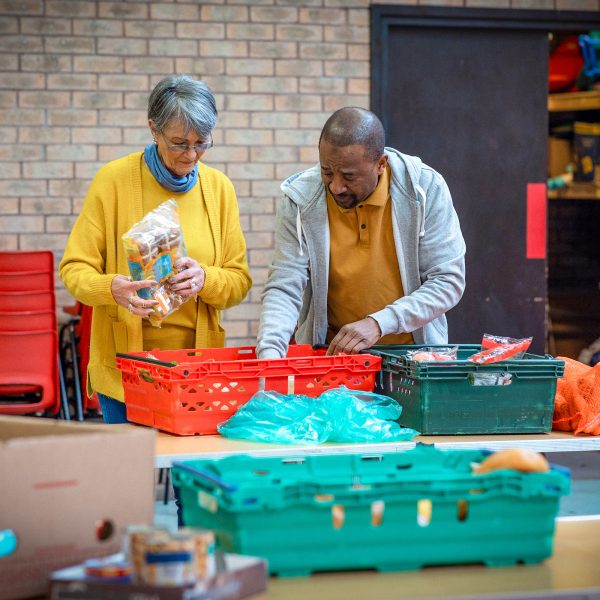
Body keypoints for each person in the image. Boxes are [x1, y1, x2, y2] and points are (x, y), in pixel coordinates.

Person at [60, 74, 252, 423]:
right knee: (130, 473)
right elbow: (74, 271)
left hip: (195, 371)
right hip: (125, 369)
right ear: (154, 129)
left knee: (189, 475)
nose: (191, 155)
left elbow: (239, 281)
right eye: (179, 143)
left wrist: (204, 279)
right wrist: (111, 289)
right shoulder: (113, 180)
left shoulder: (219, 189)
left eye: (201, 143)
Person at [257, 106, 465, 358]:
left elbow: (447, 282)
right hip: (333, 358)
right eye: (327, 172)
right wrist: (269, 356)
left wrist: (379, 323)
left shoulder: (425, 188)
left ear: (380, 164)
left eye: (348, 176)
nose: (336, 186)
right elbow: (284, 285)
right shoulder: (300, 199)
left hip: (412, 357)